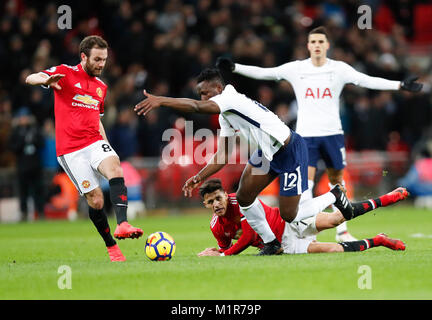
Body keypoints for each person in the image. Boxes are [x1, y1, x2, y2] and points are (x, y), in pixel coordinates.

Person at [216, 26, 423, 242]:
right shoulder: (297, 69)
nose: (316, 45)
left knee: (337, 181)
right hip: (306, 137)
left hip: (333, 134)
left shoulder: (339, 69)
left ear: (327, 45)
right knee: (306, 184)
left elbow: (365, 80)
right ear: (308, 46)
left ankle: (342, 231)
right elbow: (267, 72)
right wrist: (235, 67)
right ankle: (307, 231)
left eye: (320, 42)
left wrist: (399, 85)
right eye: (312, 42)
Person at [135, 68, 354, 255]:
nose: (203, 98)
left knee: (289, 214)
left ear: (218, 89)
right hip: (267, 153)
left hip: (288, 148)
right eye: (200, 94)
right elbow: (223, 155)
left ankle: (334, 194)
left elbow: (195, 107)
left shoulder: (230, 98)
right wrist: (198, 177)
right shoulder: (225, 114)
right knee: (244, 196)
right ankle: (271, 243)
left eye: (205, 93)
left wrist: (161, 100)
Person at [25, 35, 143, 262]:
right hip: (71, 150)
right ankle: (111, 246)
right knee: (96, 200)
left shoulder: (101, 87)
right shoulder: (65, 73)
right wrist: (44, 81)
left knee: (115, 167)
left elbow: (96, 118)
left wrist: (106, 143)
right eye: (97, 59)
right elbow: (32, 76)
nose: (101, 64)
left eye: (104, 60)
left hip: (94, 141)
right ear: (83, 57)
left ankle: (123, 223)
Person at [197, 178, 408, 256]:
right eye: (210, 202)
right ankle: (378, 240)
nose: (216, 204)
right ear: (205, 205)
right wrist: (216, 252)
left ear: (226, 195)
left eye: (218, 198)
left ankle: (387, 198)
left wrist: (224, 255)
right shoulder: (216, 226)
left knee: (337, 219)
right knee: (334, 249)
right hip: (285, 246)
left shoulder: (241, 201)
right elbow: (225, 248)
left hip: (290, 222)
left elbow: (246, 237)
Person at [8, 107, 45, 221]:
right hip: (22, 166)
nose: (23, 119)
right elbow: (12, 148)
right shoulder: (16, 132)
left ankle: (40, 212)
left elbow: (42, 144)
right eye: (22, 117)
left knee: (37, 190)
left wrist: (33, 140)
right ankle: (23, 213)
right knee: (23, 191)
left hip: (35, 165)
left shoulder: (35, 129)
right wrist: (23, 141)